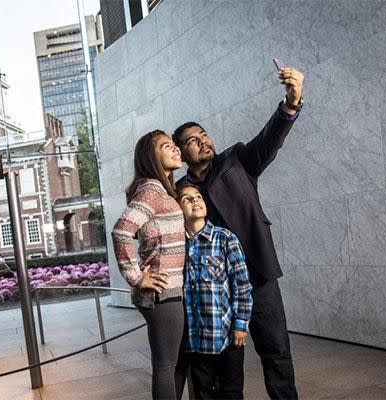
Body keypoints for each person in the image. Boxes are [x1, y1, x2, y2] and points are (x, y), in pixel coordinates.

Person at [172, 65, 305, 399]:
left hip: (257, 276)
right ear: (181, 152)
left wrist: (291, 103)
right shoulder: (180, 190)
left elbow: (269, 140)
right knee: (221, 368)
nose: (202, 140)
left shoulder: (236, 161)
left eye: (203, 134)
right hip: (213, 290)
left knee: (276, 352)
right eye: (192, 140)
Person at [111, 129, 186, 399]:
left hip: (167, 290)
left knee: (169, 365)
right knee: (166, 366)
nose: (176, 148)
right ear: (150, 156)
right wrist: (136, 276)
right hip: (163, 292)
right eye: (167, 146)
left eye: (174, 144)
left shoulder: (160, 190)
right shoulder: (152, 189)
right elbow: (121, 231)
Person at [173, 183, 252, 400]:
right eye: (186, 199)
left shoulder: (226, 239)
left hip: (227, 337)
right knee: (203, 393)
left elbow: (242, 285)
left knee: (231, 392)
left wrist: (240, 324)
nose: (195, 201)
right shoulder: (178, 246)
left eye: (198, 197)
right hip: (195, 340)